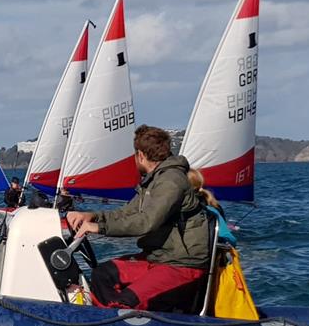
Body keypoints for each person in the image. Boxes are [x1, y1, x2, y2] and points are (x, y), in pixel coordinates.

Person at [67, 125, 210, 311]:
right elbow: (127, 213)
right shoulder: (153, 180)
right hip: (157, 258)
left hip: (181, 264)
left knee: (125, 303)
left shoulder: (171, 181)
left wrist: (99, 228)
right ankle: (104, 323)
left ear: (141, 155)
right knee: (103, 274)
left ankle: (117, 323)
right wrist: (92, 216)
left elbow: (146, 222)